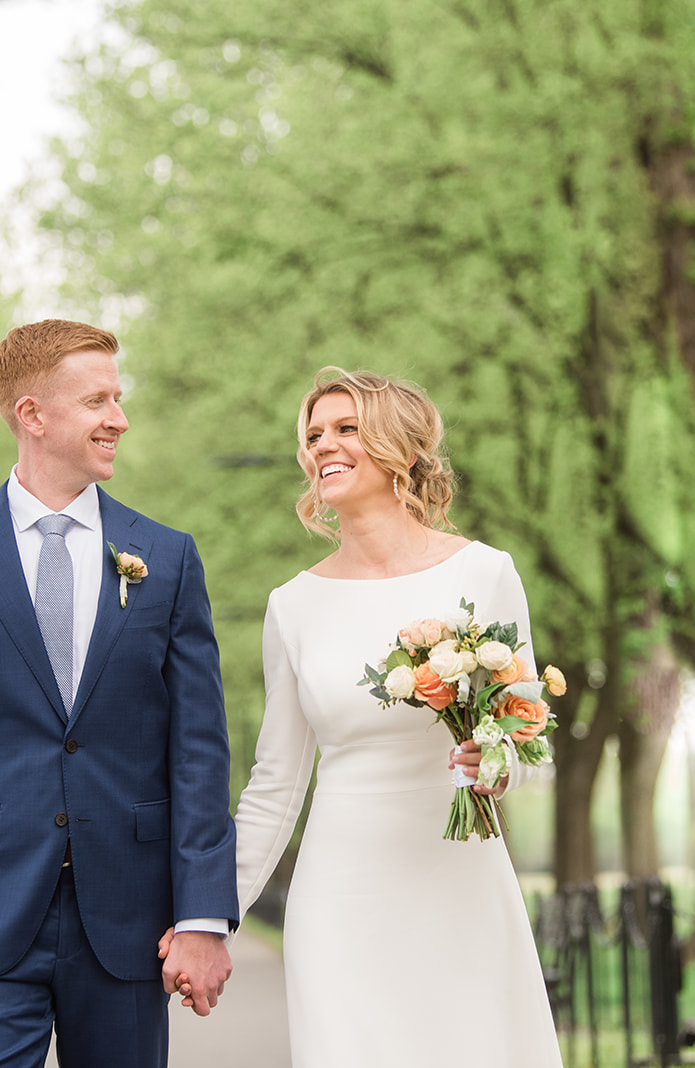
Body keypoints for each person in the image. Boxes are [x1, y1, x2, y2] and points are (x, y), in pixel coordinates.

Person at [0, 320, 238, 1068]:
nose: (120, 419)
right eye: (97, 400)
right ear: (31, 414)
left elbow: (198, 751)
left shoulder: (167, 558)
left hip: (131, 928)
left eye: (119, 396)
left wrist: (204, 914)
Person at [177, 367, 563, 1066]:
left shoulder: (485, 574)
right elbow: (276, 784)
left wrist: (495, 764)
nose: (324, 445)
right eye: (314, 434)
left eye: (346, 428)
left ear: (404, 448)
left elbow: (526, 739)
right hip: (342, 893)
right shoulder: (292, 605)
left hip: (460, 880)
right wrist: (207, 919)